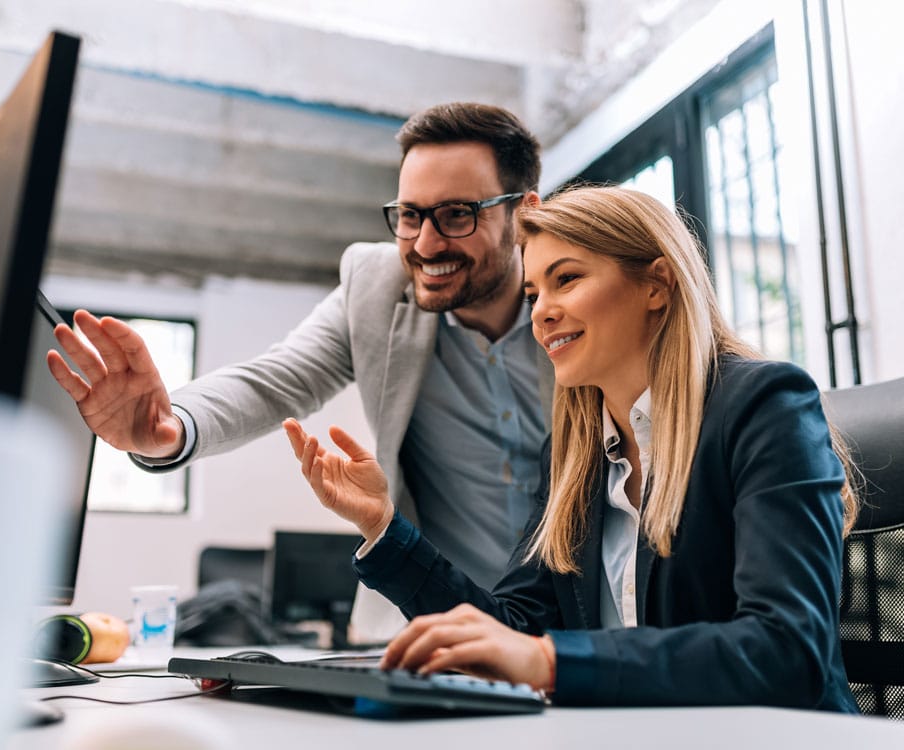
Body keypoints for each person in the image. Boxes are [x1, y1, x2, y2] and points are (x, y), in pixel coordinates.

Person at [282, 185, 860, 710]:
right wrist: (384, 527)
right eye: (534, 291)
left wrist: (551, 663)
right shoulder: (572, 454)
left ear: (656, 284)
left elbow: (787, 649)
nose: (542, 312)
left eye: (568, 280)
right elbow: (511, 630)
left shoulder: (766, 407)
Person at [46, 103, 552, 600]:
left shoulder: (582, 303)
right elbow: (278, 379)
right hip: (441, 620)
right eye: (410, 215)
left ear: (525, 212)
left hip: (583, 624)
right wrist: (171, 427)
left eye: (456, 215)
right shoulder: (376, 287)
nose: (424, 244)